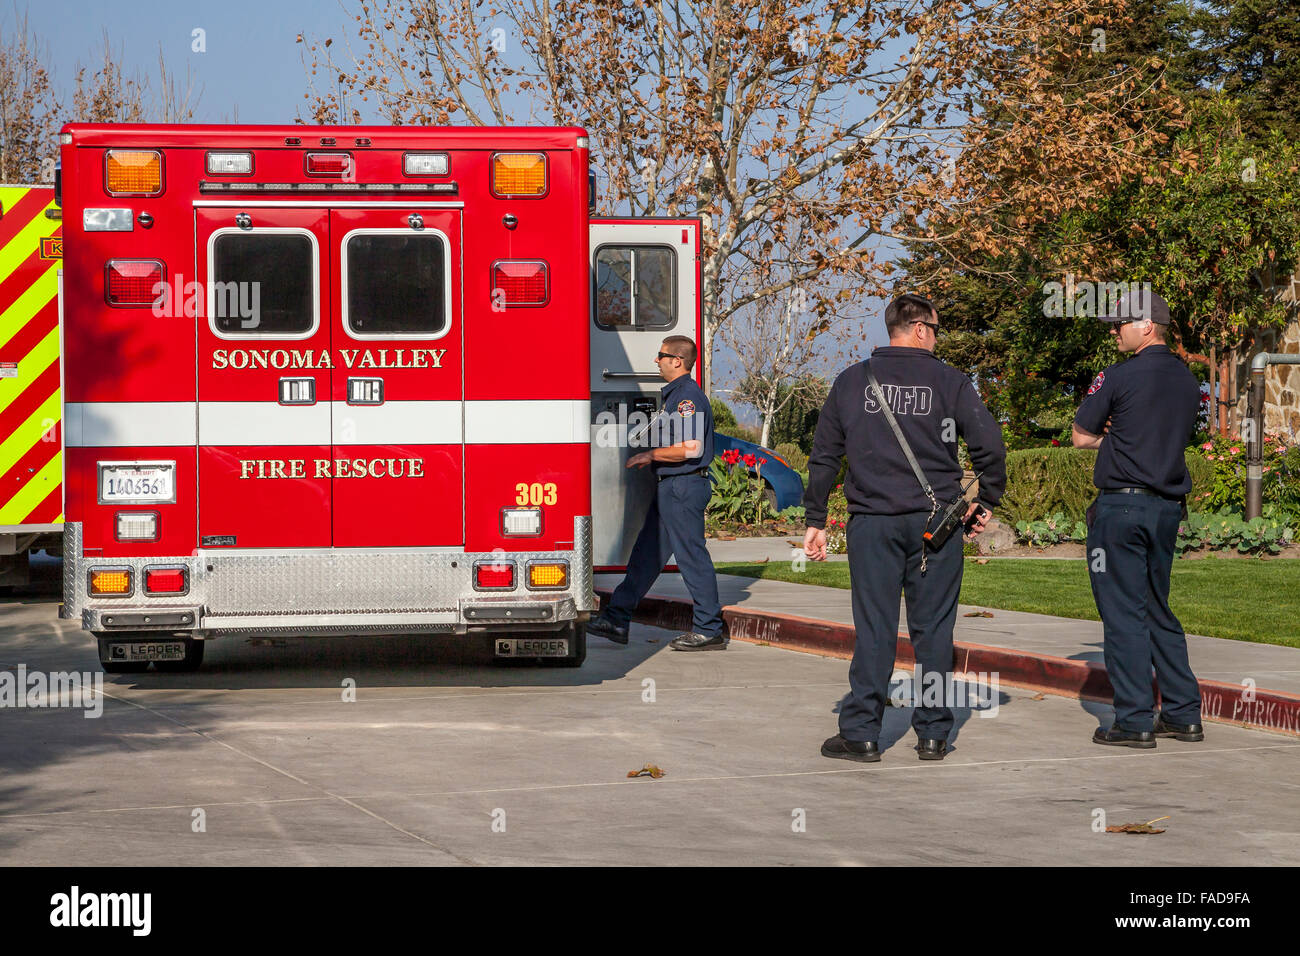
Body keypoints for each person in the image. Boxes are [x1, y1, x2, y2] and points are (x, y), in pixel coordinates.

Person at [803, 294, 1006, 762]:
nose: (937, 337)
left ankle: (861, 733)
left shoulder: (852, 382)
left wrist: (816, 519)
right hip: (936, 523)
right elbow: (989, 445)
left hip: (872, 522)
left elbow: (825, 456)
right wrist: (986, 499)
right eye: (936, 328)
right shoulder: (950, 382)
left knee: (874, 627)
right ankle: (933, 733)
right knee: (934, 629)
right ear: (919, 329)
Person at [1072, 289, 1204, 748]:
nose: (1114, 330)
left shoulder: (1116, 376)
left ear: (1146, 326)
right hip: (1166, 509)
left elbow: (1079, 436)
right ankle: (1184, 714)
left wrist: (1110, 435)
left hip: (1120, 509)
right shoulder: (1189, 382)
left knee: (1123, 613)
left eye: (1121, 323)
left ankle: (1133, 720)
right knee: (1157, 608)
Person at [588, 335, 726, 651]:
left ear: (677, 360)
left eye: (661, 355)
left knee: (692, 557)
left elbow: (691, 448)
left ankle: (708, 628)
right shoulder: (676, 397)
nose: (656, 360)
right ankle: (617, 619)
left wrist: (650, 455)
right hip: (672, 487)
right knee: (646, 556)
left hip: (683, 486)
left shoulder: (687, 398)